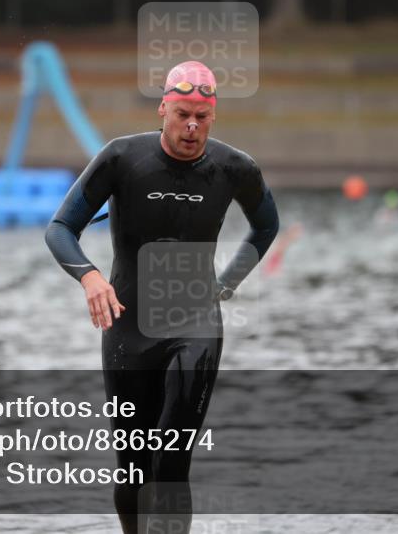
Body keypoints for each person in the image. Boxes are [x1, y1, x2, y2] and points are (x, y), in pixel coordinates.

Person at [44, 60, 279, 533]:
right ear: (163, 110)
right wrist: (90, 277)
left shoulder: (234, 168)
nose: (191, 127)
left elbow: (266, 225)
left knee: (171, 461)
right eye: (182, 115)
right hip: (128, 325)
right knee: (132, 463)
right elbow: (60, 229)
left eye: (202, 117)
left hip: (196, 324)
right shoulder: (121, 158)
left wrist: (227, 283)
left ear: (213, 118)